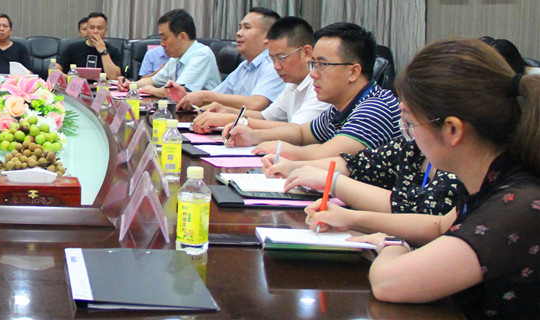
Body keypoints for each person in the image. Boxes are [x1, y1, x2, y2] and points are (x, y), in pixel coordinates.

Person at [316, 38, 539, 318]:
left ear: (452, 130)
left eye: (410, 123)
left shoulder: (517, 203)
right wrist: (351, 218)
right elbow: (439, 225)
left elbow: (389, 283)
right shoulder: (494, 177)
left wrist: (393, 243)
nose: (409, 135)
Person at [224, 22, 401, 161]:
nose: (313, 74)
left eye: (322, 65)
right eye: (313, 64)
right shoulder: (339, 107)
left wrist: (279, 149)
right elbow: (301, 133)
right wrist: (253, 136)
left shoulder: (376, 107)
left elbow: (326, 155)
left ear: (353, 72)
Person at [263, 135, 466, 246]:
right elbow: (359, 164)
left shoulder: (460, 166)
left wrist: (333, 183)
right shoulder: (414, 147)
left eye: (411, 118)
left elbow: (420, 210)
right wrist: (295, 167)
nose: (314, 74)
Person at [193, 16, 329, 130]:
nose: (276, 66)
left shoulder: (321, 86)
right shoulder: (292, 84)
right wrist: (226, 111)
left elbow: (297, 130)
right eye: (272, 59)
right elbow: (265, 117)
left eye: (282, 58)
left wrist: (233, 119)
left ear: (307, 53)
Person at [178, 7, 285, 111]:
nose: (239, 33)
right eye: (240, 28)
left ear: (267, 36)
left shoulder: (275, 66)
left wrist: (204, 96)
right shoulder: (244, 66)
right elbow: (216, 96)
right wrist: (185, 96)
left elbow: (255, 104)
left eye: (247, 28)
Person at [119, 8, 219, 97]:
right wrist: (131, 85)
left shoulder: (202, 55)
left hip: (203, 111)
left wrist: (153, 91)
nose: (162, 44)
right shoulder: (175, 58)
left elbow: (178, 92)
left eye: (165, 38)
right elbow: (152, 81)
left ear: (182, 37)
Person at [58, 12, 122, 80]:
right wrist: (70, 78)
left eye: (100, 28)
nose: (95, 31)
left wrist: (103, 51)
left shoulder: (113, 51)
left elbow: (114, 77)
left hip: (102, 85)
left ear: (105, 30)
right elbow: (55, 69)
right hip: (76, 85)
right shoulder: (73, 48)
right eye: (92, 28)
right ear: (87, 30)